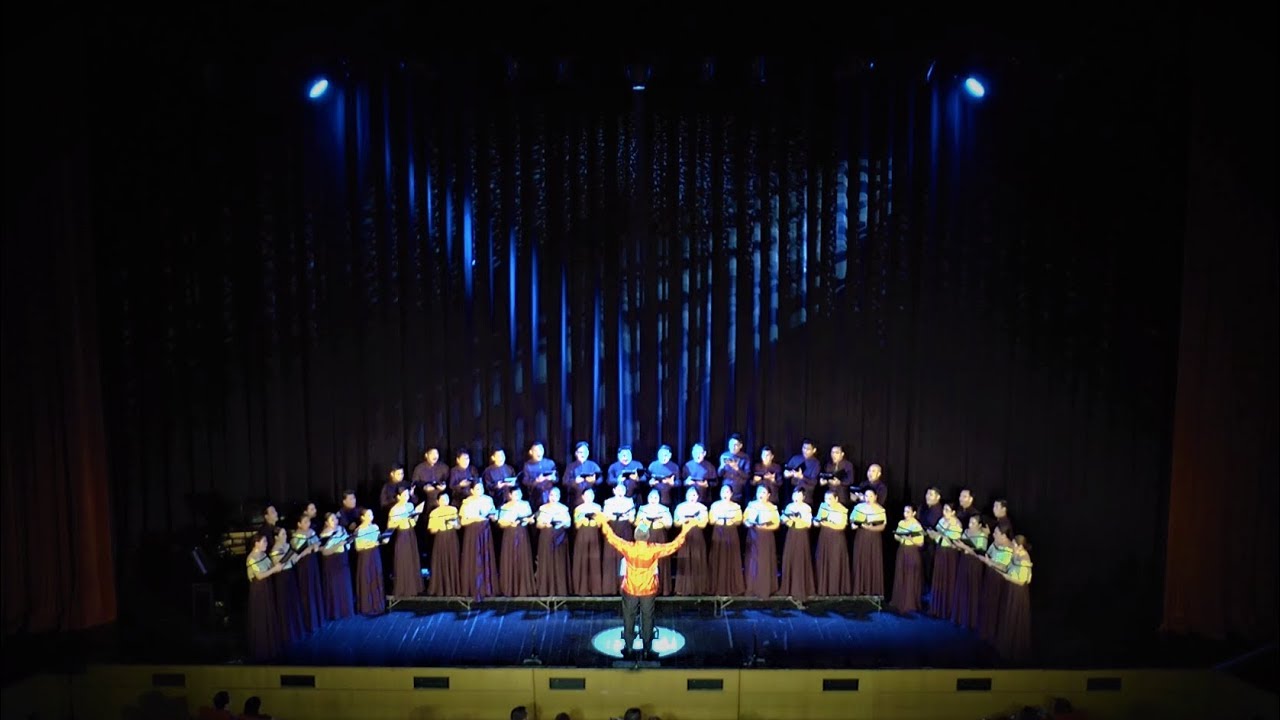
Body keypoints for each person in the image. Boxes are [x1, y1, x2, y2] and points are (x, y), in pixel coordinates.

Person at [598, 514, 692, 661]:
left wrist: (603, 522)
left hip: (630, 589)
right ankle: (647, 649)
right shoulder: (653, 549)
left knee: (629, 617)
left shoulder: (628, 547)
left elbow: (611, 538)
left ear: (635, 536)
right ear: (648, 536)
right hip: (648, 589)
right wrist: (685, 530)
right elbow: (674, 545)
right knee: (647, 618)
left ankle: (629, 648)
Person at [245, 531, 283, 662]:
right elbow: (260, 576)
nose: (266, 544)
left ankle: (271, 645)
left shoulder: (263, 554)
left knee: (269, 613)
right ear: (256, 543)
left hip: (267, 586)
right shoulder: (251, 558)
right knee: (261, 616)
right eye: (264, 541)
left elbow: (271, 567)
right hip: (259, 589)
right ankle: (262, 649)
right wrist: (274, 569)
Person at [459, 482, 499, 599]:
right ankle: (474, 587)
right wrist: (474, 519)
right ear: (471, 490)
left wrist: (493, 516)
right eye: (477, 489)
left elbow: (494, 517)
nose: (480, 491)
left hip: (485, 530)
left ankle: (487, 588)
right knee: (474, 556)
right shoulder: (467, 502)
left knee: (486, 555)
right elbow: (463, 522)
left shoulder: (488, 500)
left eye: (481, 488)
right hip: (472, 531)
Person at [743, 485, 780, 599]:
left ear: (768, 495)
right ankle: (752, 587)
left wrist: (766, 527)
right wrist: (748, 523)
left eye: (763, 492)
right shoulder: (751, 505)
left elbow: (776, 524)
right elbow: (745, 519)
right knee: (752, 561)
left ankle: (765, 588)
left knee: (764, 561)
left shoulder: (772, 508)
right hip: (753, 536)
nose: (761, 494)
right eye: (759, 492)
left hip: (766, 537)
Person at [497, 486, 536, 597]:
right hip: (509, 534)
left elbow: (531, 520)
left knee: (522, 557)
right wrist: (510, 523)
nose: (517, 496)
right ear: (510, 495)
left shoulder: (525, 505)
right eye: (515, 494)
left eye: (519, 494)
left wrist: (529, 520)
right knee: (510, 558)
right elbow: (501, 523)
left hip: (522, 533)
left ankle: (524, 587)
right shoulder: (505, 507)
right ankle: (509, 587)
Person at [779, 488, 815, 602]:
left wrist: (797, 520)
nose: (796, 498)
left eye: (799, 496)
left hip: (801, 534)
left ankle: (800, 587)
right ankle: (787, 587)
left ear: (803, 497)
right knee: (789, 557)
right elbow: (783, 520)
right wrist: (786, 519)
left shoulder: (806, 508)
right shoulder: (789, 506)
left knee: (800, 559)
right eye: (795, 495)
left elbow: (808, 524)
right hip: (791, 533)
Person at [388, 486, 425, 597]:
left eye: (407, 495)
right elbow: (390, 525)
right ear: (398, 496)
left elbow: (414, 521)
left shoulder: (410, 505)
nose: (407, 497)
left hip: (411, 533)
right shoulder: (394, 509)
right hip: (401, 534)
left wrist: (416, 514)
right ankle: (404, 588)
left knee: (412, 558)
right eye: (404, 495)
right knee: (403, 559)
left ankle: (415, 586)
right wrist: (401, 520)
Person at [318, 512, 356, 620]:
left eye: (336, 519)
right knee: (334, 586)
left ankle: (347, 610)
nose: (335, 521)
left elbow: (347, 541)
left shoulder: (341, 529)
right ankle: (336, 612)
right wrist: (338, 545)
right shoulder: (324, 535)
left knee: (345, 585)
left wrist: (350, 540)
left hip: (343, 558)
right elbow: (324, 552)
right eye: (332, 520)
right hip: (332, 561)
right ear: (326, 523)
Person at [672, 486, 709, 595]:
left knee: (697, 558)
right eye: (690, 494)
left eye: (694, 495)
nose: (692, 497)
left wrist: (694, 520)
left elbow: (703, 524)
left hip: (697, 535)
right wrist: (684, 519)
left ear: (698, 496)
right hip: (684, 535)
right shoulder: (680, 507)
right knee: (684, 560)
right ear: (686, 496)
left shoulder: (702, 508)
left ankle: (698, 588)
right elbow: (676, 523)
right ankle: (682, 587)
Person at [535, 486, 572, 595]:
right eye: (551, 495)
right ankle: (545, 588)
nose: (553, 497)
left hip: (560, 537)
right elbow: (538, 524)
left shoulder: (563, 508)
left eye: (556, 495)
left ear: (559, 497)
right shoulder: (543, 508)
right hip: (546, 536)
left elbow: (568, 524)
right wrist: (545, 524)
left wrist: (562, 523)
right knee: (547, 560)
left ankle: (560, 589)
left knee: (559, 561)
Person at [850, 487, 886, 596]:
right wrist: (856, 524)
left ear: (875, 497)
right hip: (861, 537)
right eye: (866, 496)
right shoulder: (859, 507)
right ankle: (859, 587)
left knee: (873, 560)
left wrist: (871, 528)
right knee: (860, 559)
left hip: (874, 539)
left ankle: (872, 588)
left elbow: (882, 526)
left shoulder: (880, 510)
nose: (868, 498)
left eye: (871, 496)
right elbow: (852, 522)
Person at [888, 504, 924, 613]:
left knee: (909, 576)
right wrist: (900, 537)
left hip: (911, 551)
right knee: (900, 573)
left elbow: (920, 543)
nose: (906, 514)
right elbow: (896, 536)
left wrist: (910, 539)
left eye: (908, 512)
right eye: (905, 511)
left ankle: (909, 603)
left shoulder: (917, 526)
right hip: (902, 550)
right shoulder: (901, 523)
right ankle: (898, 600)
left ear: (914, 513)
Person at [353, 508, 389, 615]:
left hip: (375, 554)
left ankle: (378, 604)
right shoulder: (358, 530)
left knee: (376, 576)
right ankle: (367, 606)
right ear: (362, 517)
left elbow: (378, 540)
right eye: (368, 515)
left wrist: (384, 540)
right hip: (365, 556)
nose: (371, 517)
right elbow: (358, 547)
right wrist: (370, 544)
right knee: (366, 578)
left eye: (371, 515)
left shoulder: (375, 527)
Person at [426, 493, 462, 597]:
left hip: (452, 537)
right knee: (441, 560)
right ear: (437, 501)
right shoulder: (434, 513)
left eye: (446, 499)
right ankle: (441, 587)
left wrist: (455, 524)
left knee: (453, 559)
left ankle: (454, 587)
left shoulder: (453, 510)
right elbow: (432, 530)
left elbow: (459, 526)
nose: (445, 501)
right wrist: (440, 524)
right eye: (442, 499)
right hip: (440, 538)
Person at [571, 487, 605, 596]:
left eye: (591, 495)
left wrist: (594, 518)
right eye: (587, 495)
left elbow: (600, 523)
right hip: (582, 535)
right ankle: (582, 588)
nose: (589, 497)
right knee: (583, 559)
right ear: (583, 497)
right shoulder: (579, 509)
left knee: (594, 560)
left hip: (594, 535)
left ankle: (595, 588)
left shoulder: (597, 507)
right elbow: (577, 525)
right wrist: (584, 518)